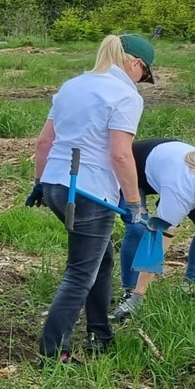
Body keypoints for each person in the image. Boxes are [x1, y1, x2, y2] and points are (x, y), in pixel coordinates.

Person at [26, 33, 154, 363]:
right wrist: (134, 203)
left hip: (57, 184)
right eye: (144, 72)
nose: (142, 80)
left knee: (101, 258)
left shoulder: (73, 85)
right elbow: (121, 155)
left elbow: (43, 143)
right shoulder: (126, 94)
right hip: (90, 191)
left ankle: (100, 334)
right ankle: (54, 354)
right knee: (80, 272)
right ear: (135, 64)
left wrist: (39, 184)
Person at [112, 138, 195, 321]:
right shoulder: (182, 190)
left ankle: (191, 287)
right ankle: (131, 293)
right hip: (134, 168)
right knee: (139, 228)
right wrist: (140, 295)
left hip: (167, 167)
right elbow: (157, 240)